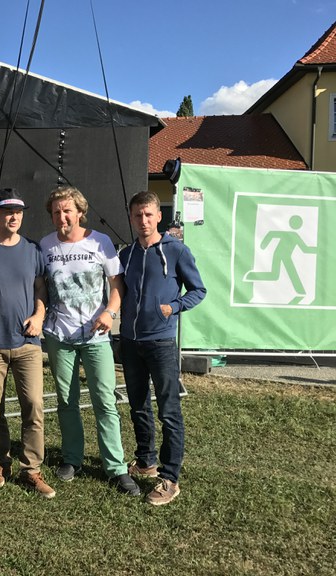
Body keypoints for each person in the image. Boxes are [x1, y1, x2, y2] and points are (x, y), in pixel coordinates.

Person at [40, 186, 140, 496]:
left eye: (67, 211)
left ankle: (116, 467)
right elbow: (41, 287)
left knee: (105, 401)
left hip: (96, 336)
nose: (62, 217)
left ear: (80, 212)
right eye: (56, 212)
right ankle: (72, 459)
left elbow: (117, 285)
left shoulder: (101, 242)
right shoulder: (45, 245)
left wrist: (110, 313)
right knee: (66, 401)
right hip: (59, 336)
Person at [119, 190, 206, 506]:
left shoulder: (177, 251)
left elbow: (198, 290)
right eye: (137, 215)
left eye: (148, 215)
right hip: (130, 342)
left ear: (158, 216)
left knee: (169, 410)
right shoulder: (126, 255)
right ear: (131, 218)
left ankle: (170, 478)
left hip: (161, 342)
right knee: (138, 405)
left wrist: (174, 306)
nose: (143, 220)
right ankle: (146, 461)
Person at [0, 188, 55, 498]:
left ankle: (31, 468)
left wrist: (39, 315)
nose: (14, 217)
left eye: (18, 211)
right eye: (8, 211)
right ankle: (0, 462)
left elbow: (40, 288)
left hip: (28, 343)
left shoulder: (32, 250)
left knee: (33, 405)